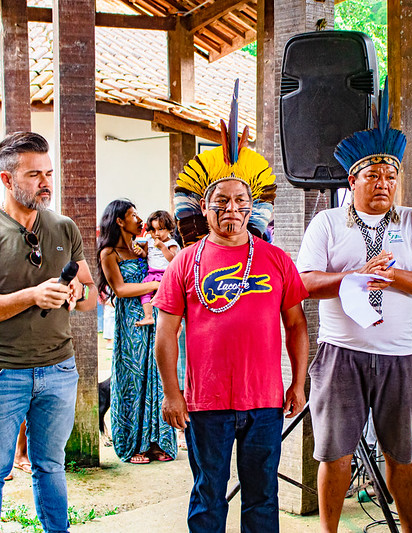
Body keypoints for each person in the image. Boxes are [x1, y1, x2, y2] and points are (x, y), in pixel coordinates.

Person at [153, 80, 309, 533]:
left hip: (265, 401)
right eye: (221, 201)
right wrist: (171, 392)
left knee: (262, 498)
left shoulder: (276, 259)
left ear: (251, 207)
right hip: (205, 404)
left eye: (241, 201)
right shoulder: (186, 260)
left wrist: (296, 382)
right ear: (205, 207)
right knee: (208, 496)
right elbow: (166, 335)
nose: (232, 209)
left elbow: (296, 324)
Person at [296, 79, 412, 533]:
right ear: (352, 180)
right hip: (341, 352)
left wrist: (393, 275)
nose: (383, 183)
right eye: (372, 175)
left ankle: (411, 531)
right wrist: (353, 277)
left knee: (400, 454)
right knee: (336, 453)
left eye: (391, 175)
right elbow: (304, 282)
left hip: (400, 355)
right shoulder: (326, 223)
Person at [0, 131, 98, 533]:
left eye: (48, 173)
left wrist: (75, 291)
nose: (46, 183)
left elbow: (89, 298)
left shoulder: (65, 228)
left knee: (50, 466)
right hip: (1, 373)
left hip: (59, 370)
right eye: (34, 175)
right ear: (6, 179)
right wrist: (33, 294)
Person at [97, 199, 177, 464]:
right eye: (133, 215)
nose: (139, 219)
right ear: (119, 221)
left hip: (155, 318)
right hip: (131, 321)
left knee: (156, 377)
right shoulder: (109, 253)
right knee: (133, 380)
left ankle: (157, 441)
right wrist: (155, 288)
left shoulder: (141, 249)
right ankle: (134, 444)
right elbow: (119, 290)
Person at [135, 210, 179, 327]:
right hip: (152, 274)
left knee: (165, 298)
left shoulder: (172, 243)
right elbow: (146, 255)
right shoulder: (149, 242)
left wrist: (163, 247)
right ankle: (148, 316)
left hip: (166, 274)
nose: (156, 234)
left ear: (169, 229)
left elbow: (173, 259)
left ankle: (174, 321)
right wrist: (140, 252)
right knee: (145, 293)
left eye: (160, 229)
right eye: (153, 230)